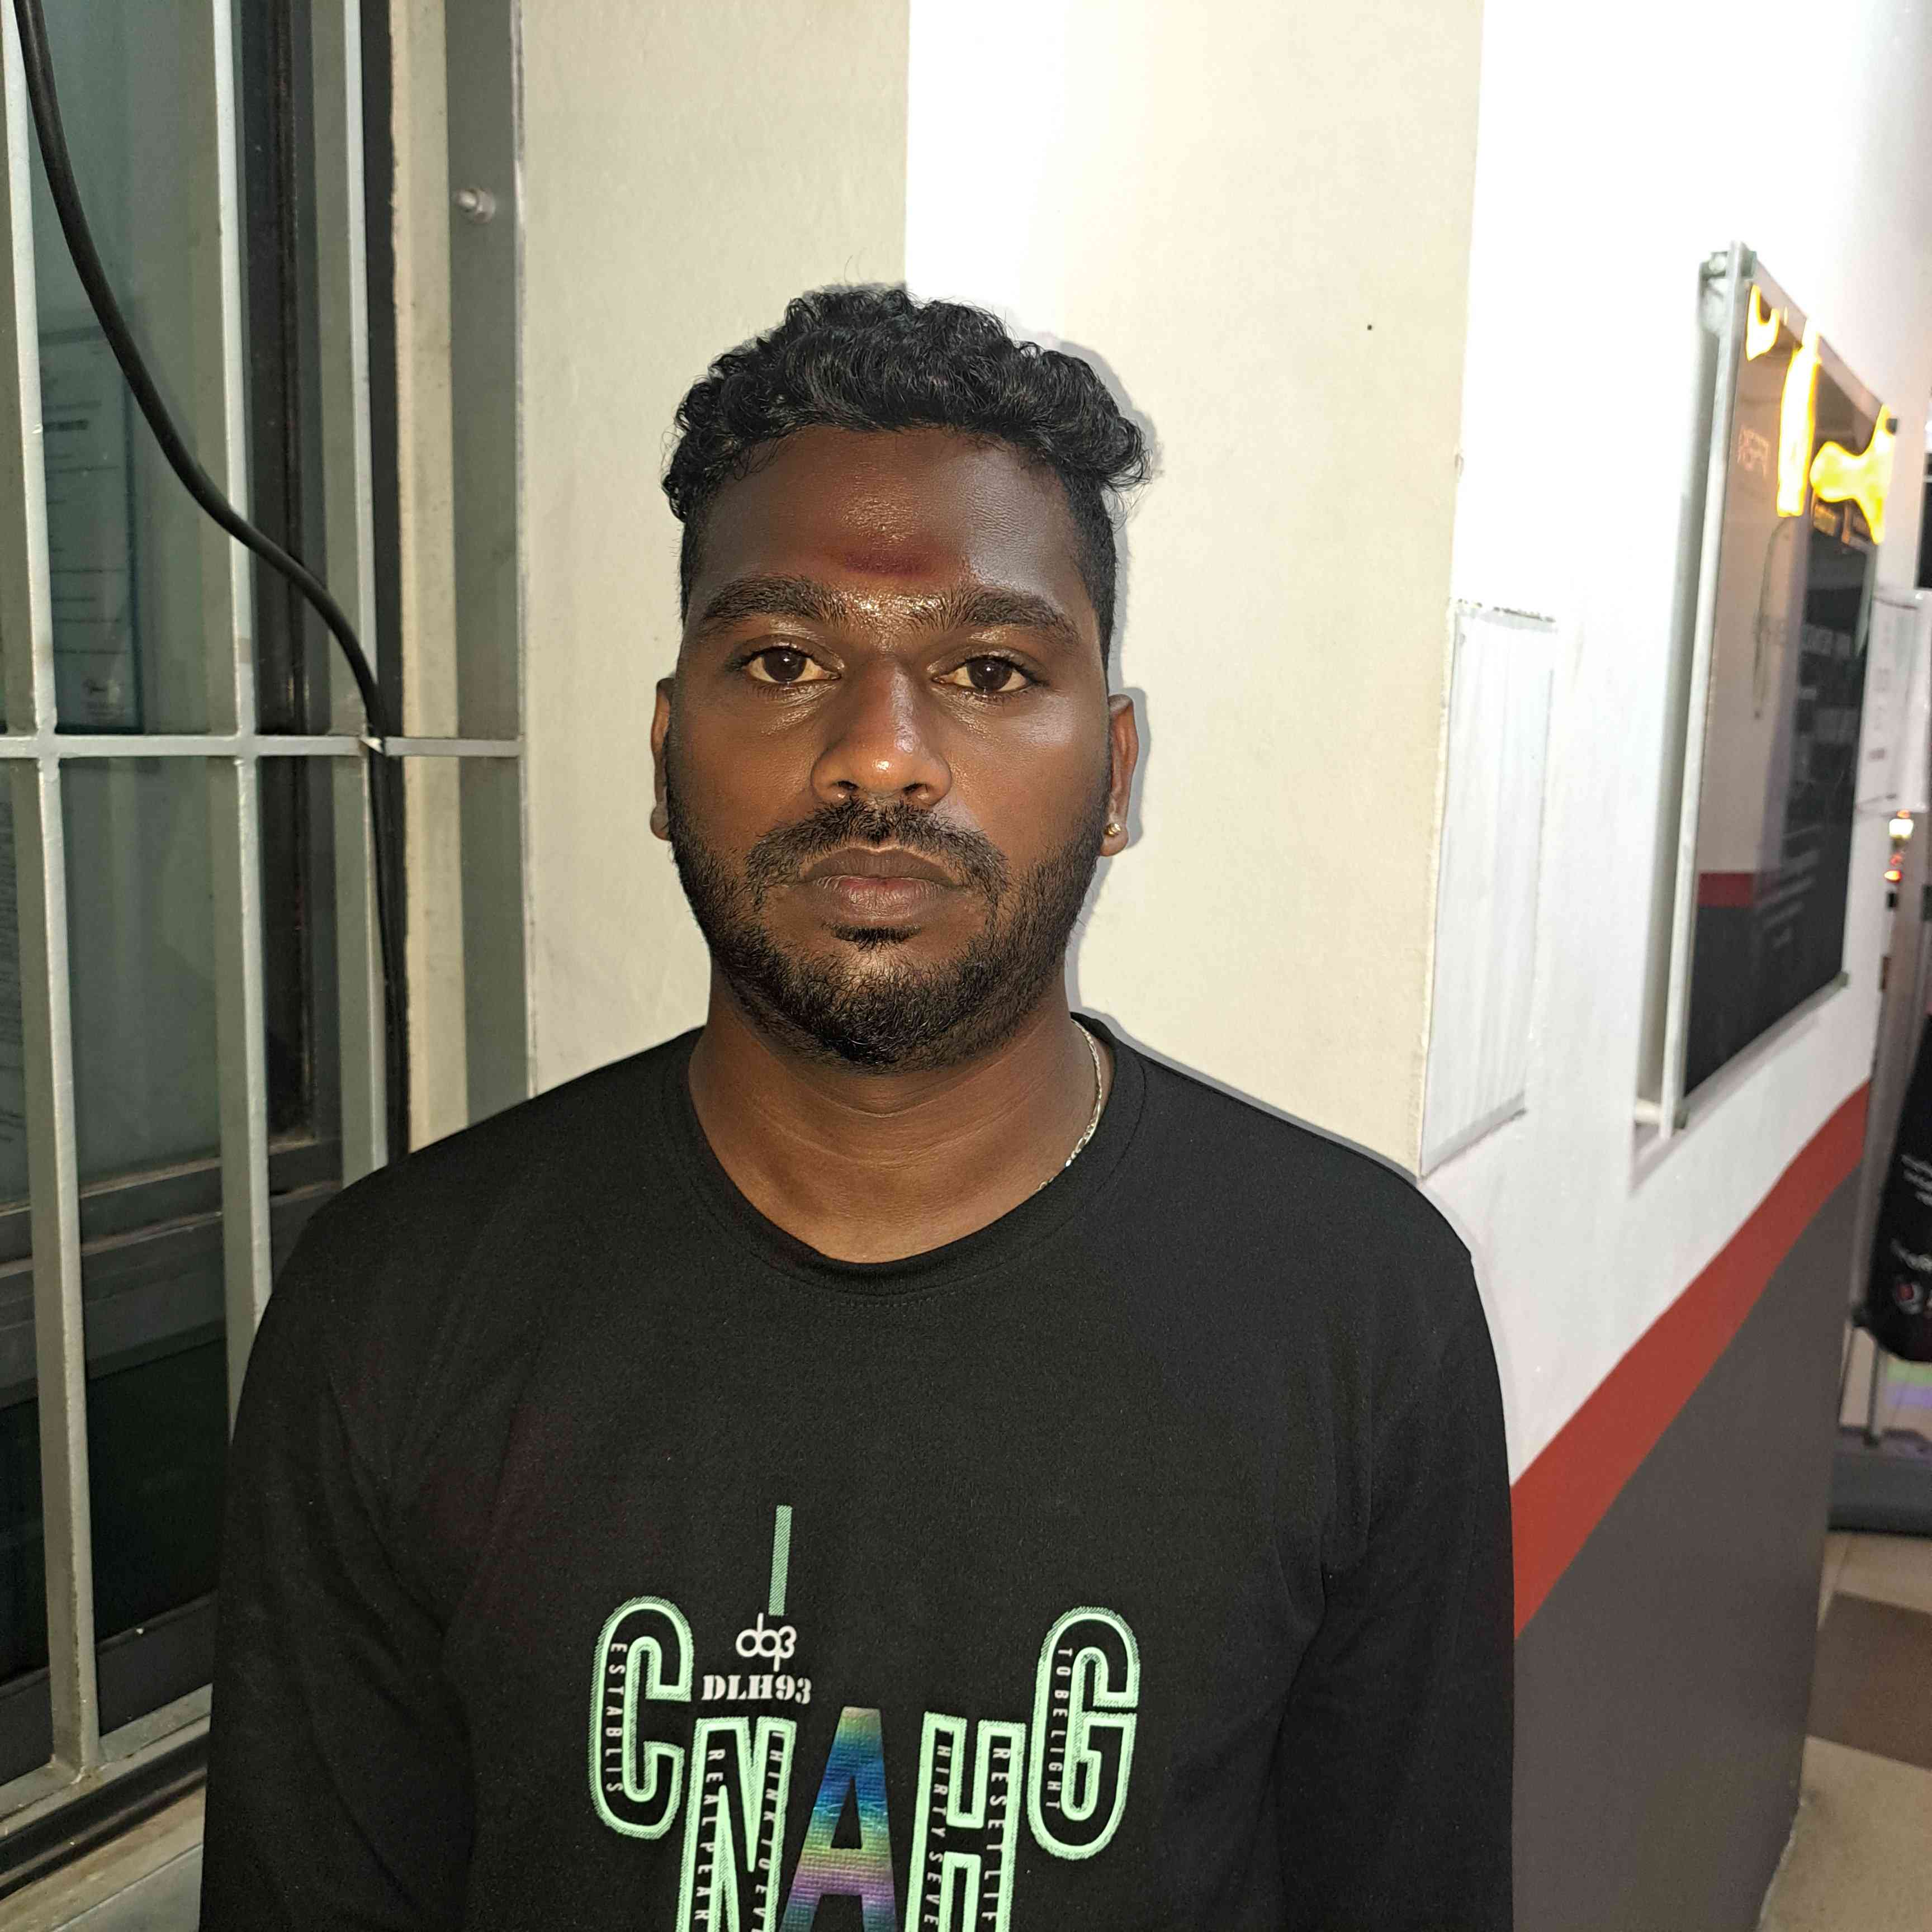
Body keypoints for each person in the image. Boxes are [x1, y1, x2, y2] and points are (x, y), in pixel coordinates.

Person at [201, 285, 1513, 1931]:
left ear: (1117, 771)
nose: (880, 758)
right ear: (666, 751)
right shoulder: (397, 1304)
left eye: (987, 667)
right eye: (784, 660)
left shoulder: (1357, 1304)